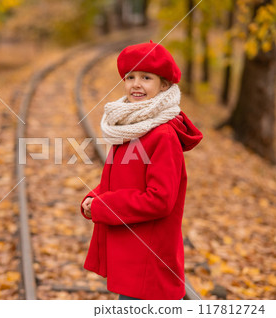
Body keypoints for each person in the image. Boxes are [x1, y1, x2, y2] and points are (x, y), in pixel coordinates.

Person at [80, 41, 203, 300]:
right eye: (130, 77)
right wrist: (94, 197)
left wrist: (105, 206)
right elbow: (123, 182)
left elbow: (160, 200)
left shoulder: (163, 135)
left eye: (146, 77)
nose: (136, 84)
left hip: (148, 259)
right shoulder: (131, 127)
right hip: (131, 254)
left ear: (164, 85)